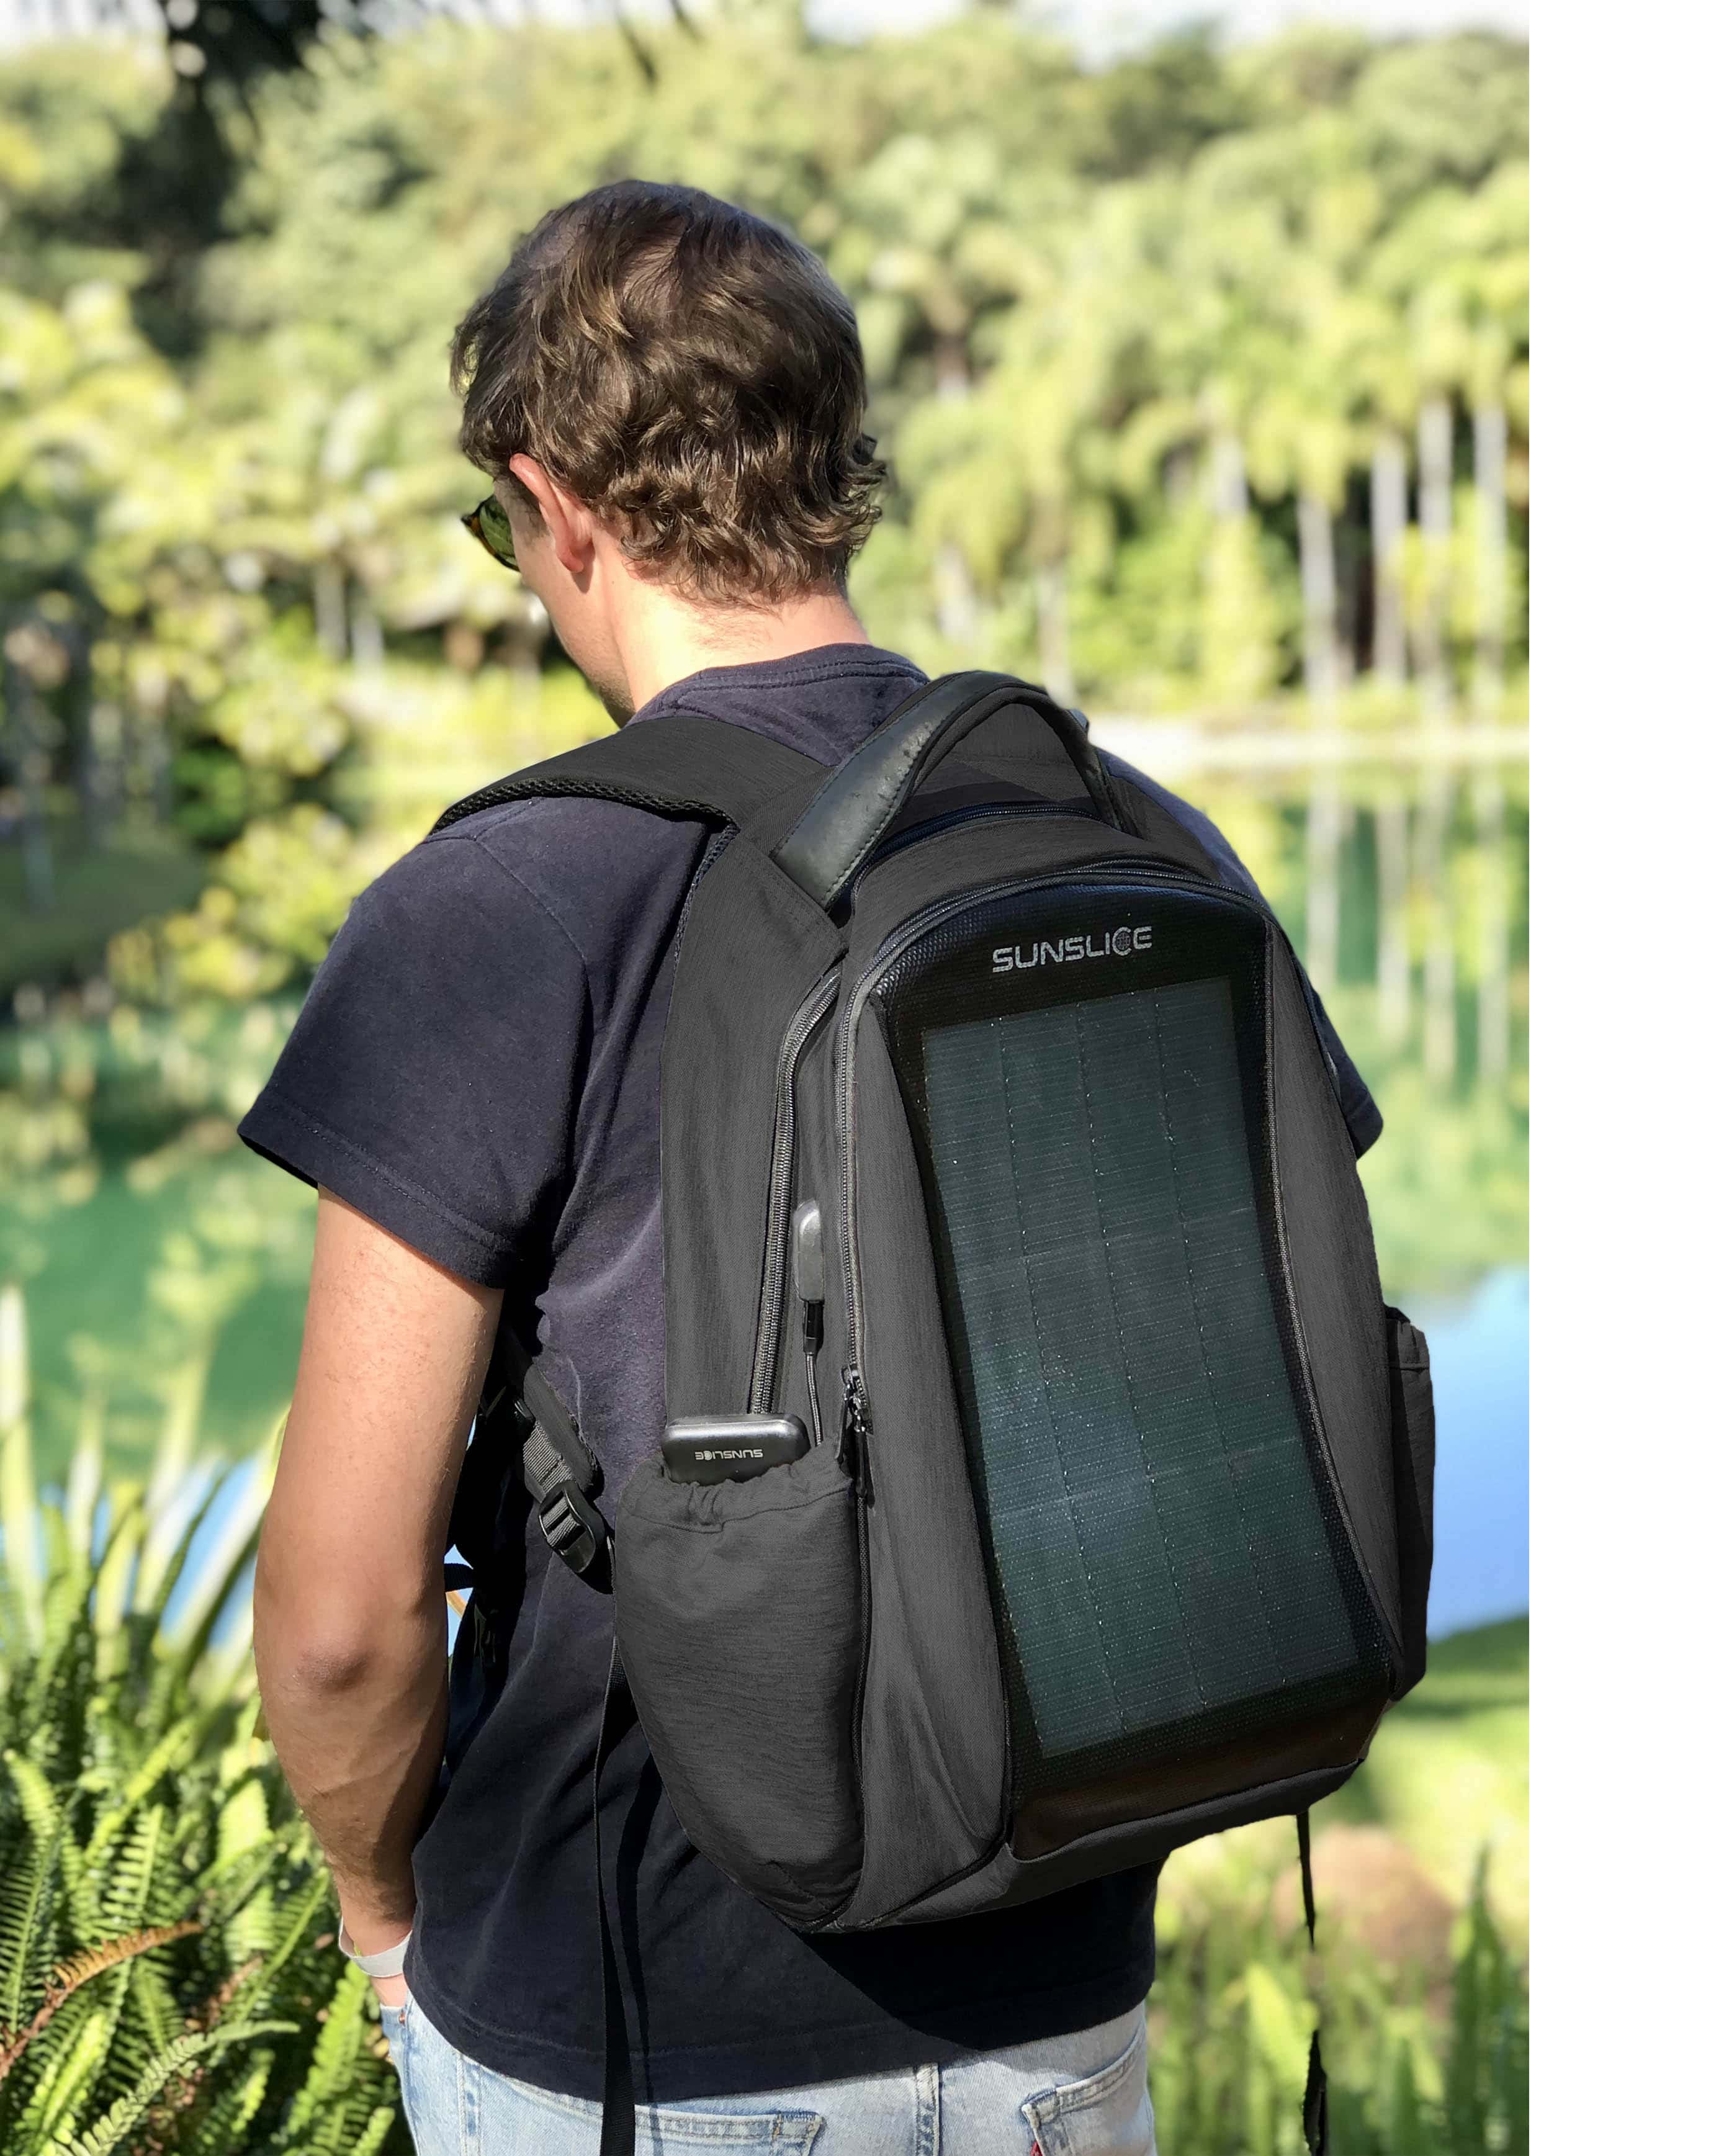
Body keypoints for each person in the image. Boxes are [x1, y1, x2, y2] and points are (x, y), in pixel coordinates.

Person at [243, 180, 1380, 2156]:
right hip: (1064, 1989)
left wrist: (379, 1922)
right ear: (834, 469)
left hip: (629, 2027)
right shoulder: (1131, 833)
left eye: (502, 531)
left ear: (554, 501)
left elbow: (343, 1618)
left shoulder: (498, 903)